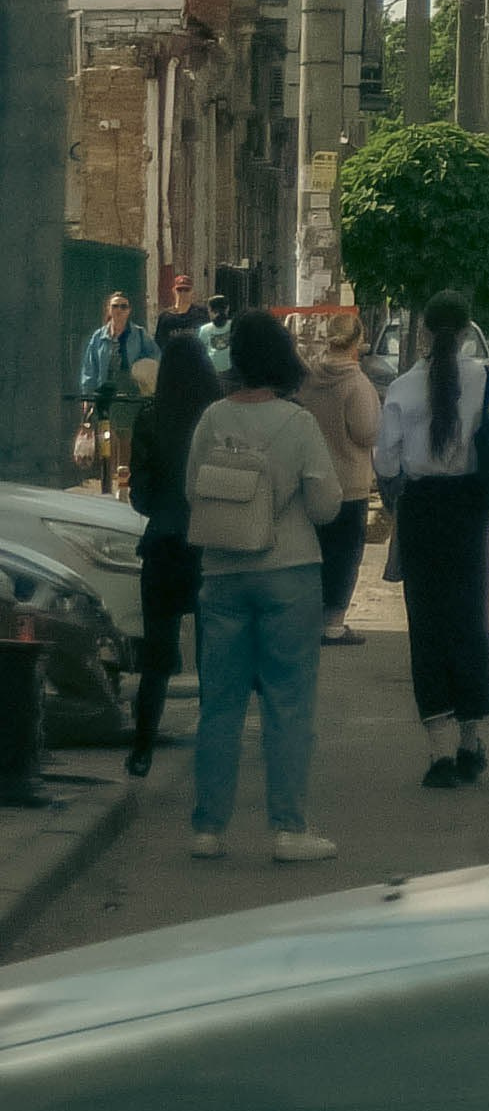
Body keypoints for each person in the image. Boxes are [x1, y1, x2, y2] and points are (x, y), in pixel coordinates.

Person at [183, 309, 340, 865]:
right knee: (288, 703)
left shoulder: (210, 419)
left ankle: (207, 828)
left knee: (219, 705)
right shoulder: (296, 424)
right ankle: (288, 829)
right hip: (289, 573)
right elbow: (324, 507)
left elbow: (190, 493)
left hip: (221, 575)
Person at [374, 292, 489, 790]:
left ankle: (438, 752)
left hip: (420, 512)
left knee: (427, 626)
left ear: (423, 333)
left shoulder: (401, 388)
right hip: (469, 510)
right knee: (469, 622)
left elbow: (386, 462)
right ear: (465, 332)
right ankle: (469, 740)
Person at [122, 320, 221, 776]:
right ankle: (214, 744)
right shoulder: (217, 417)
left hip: (162, 543)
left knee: (157, 657)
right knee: (213, 654)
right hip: (209, 545)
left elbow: (138, 496)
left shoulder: (149, 418)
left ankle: (142, 748)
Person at [300, 309, 382, 645]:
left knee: (313, 553)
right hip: (348, 483)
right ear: (357, 342)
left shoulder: (308, 377)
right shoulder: (356, 384)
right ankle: (333, 623)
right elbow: (366, 432)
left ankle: (306, 618)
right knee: (344, 555)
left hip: (310, 479)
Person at [77, 291, 158, 496]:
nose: (120, 310)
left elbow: (156, 358)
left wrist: (143, 373)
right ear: (109, 310)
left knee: (126, 438)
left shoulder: (139, 335)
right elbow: (89, 368)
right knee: (107, 437)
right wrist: (87, 396)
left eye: (124, 306)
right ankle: (108, 482)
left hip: (130, 391)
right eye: (115, 306)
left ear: (129, 310)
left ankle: (123, 482)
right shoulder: (99, 337)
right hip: (105, 391)